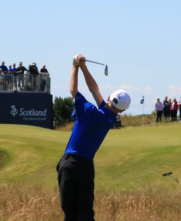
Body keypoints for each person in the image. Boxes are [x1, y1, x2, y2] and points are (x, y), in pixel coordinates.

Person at [57, 54, 131, 221]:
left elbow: (75, 90)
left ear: (109, 98)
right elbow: (94, 91)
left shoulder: (89, 111)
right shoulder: (110, 119)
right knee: (85, 213)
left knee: (70, 213)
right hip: (86, 167)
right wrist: (81, 67)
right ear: (122, 111)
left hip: (69, 164)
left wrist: (76, 66)